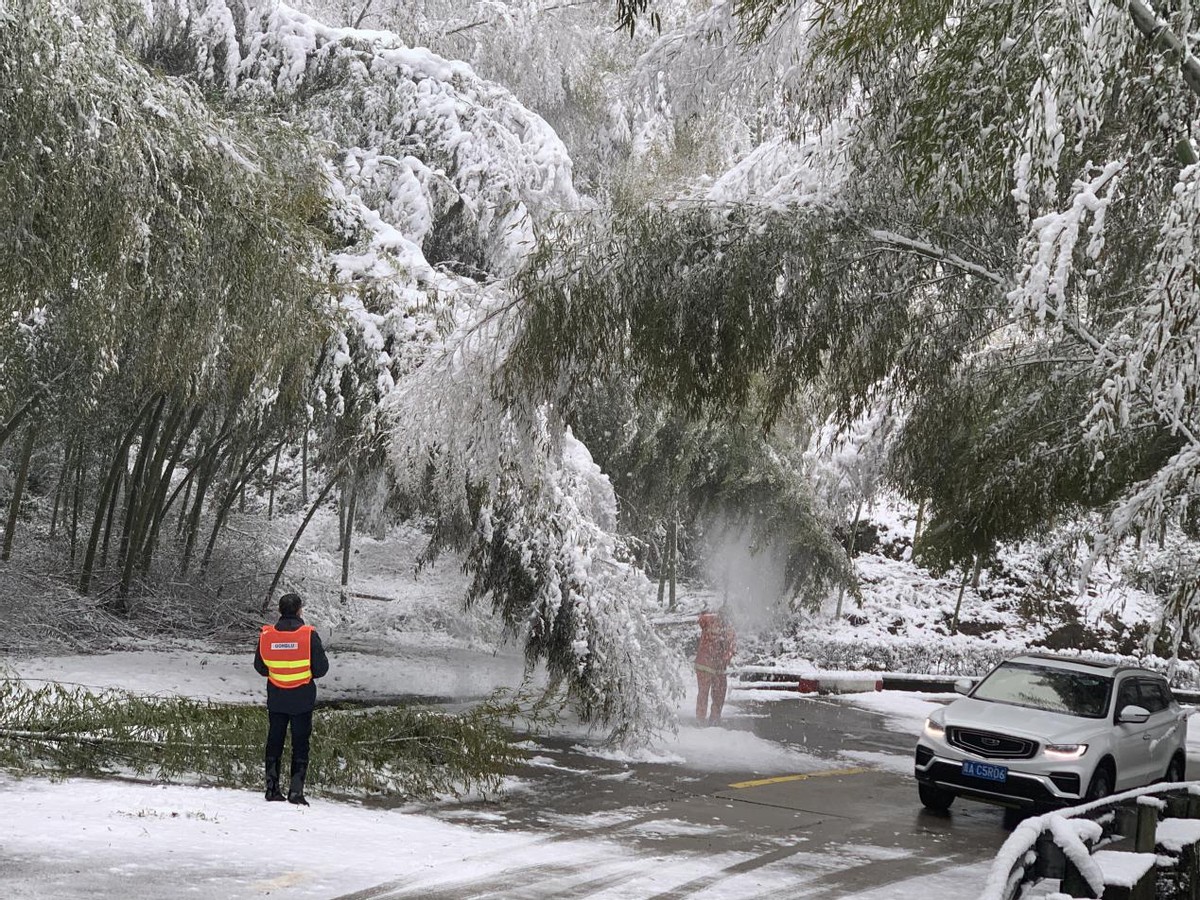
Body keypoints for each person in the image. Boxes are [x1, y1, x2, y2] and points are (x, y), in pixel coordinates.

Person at [254, 592, 329, 805]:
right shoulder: (308, 635)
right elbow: (322, 668)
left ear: (279, 611)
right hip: (302, 699)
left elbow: (260, 667)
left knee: (274, 741)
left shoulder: (266, 635)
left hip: (277, 698)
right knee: (300, 744)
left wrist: (279, 673)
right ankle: (296, 792)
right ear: (299, 611)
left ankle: (271, 789)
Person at [695, 603, 736, 726]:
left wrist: (723, 659)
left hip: (713, 667)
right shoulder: (711, 622)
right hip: (707, 666)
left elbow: (731, 650)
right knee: (709, 694)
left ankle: (709, 720)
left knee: (713, 694)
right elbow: (731, 650)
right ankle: (705, 720)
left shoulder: (727, 630)